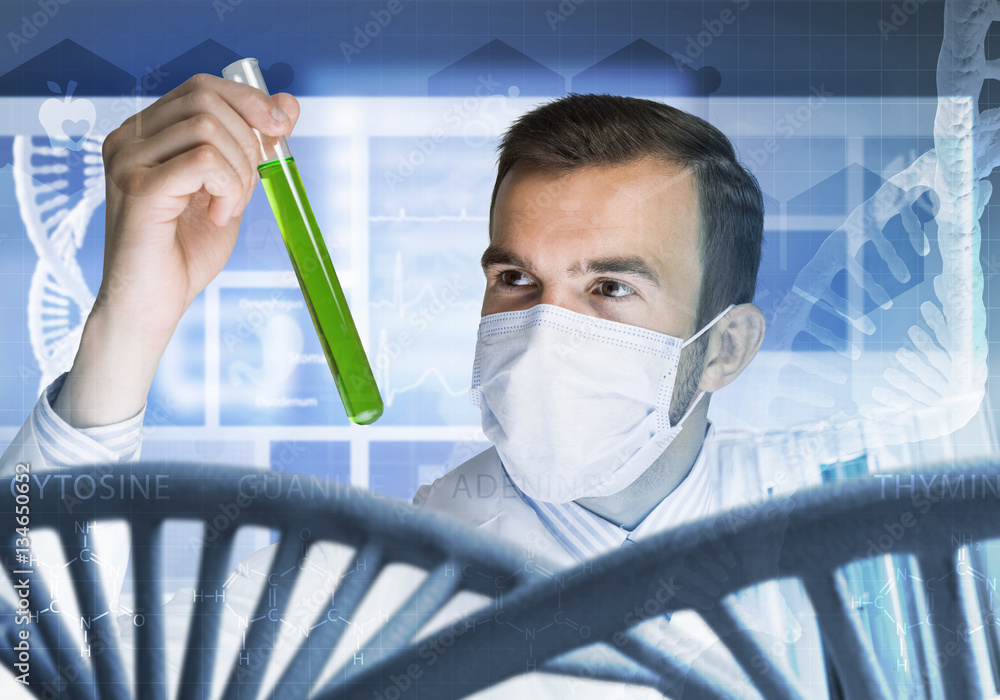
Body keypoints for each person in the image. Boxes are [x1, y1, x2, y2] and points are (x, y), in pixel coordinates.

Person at [0, 76, 773, 695]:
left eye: (608, 288)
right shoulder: (363, 586)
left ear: (723, 349)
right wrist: (127, 324)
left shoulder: (847, 524)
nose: (544, 330)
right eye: (515, 278)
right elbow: (27, 668)